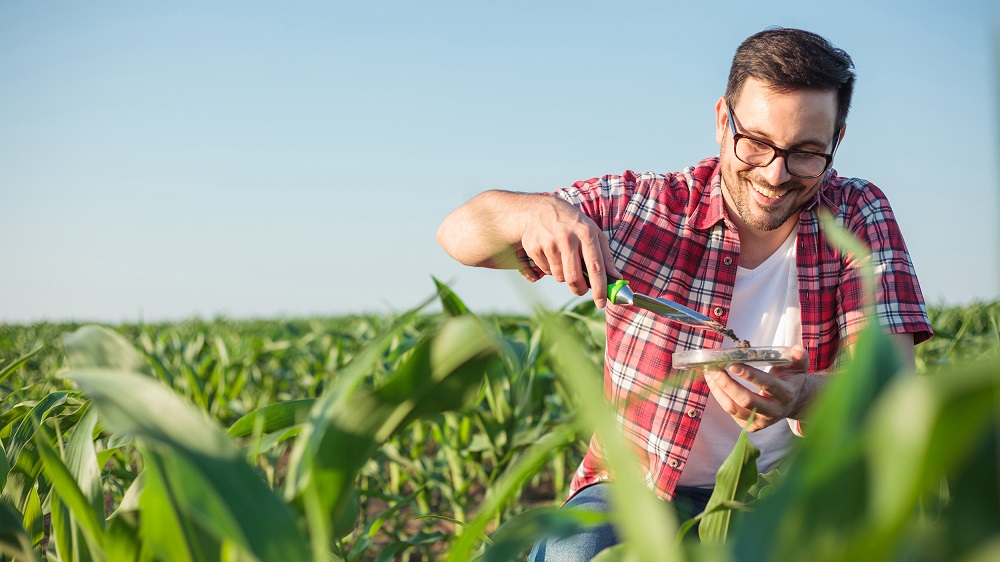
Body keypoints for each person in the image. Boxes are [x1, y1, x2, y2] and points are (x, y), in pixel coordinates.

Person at [437, 27, 933, 561]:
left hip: (791, 487)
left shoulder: (857, 216)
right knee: (573, 553)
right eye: (758, 143)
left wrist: (802, 395)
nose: (775, 173)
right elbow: (459, 235)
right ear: (723, 120)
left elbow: (890, 385)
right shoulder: (646, 208)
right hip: (636, 487)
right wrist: (535, 212)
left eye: (807, 153)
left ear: (837, 141)